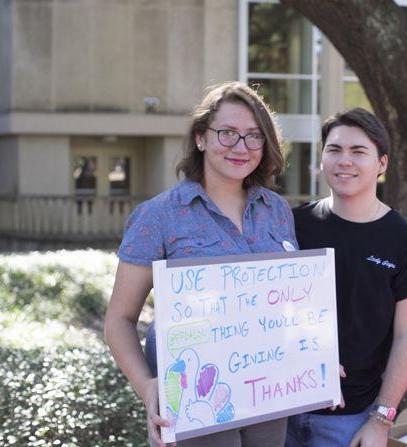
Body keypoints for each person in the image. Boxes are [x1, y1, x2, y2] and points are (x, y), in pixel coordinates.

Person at [104, 82, 297, 447]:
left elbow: (290, 303)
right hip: (195, 400)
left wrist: (311, 355)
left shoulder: (278, 212)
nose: (241, 147)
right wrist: (148, 387)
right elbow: (119, 320)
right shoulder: (158, 216)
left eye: (254, 136)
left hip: (270, 395)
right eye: (227, 133)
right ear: (201, 138)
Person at [286, 108, 407, 447]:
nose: (344, 161)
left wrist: (381, 420)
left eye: (359, 151)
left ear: (382, 164)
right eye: (334, 149)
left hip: (349, 420)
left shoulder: (406, 241)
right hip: (278, 410)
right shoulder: (293, 226)